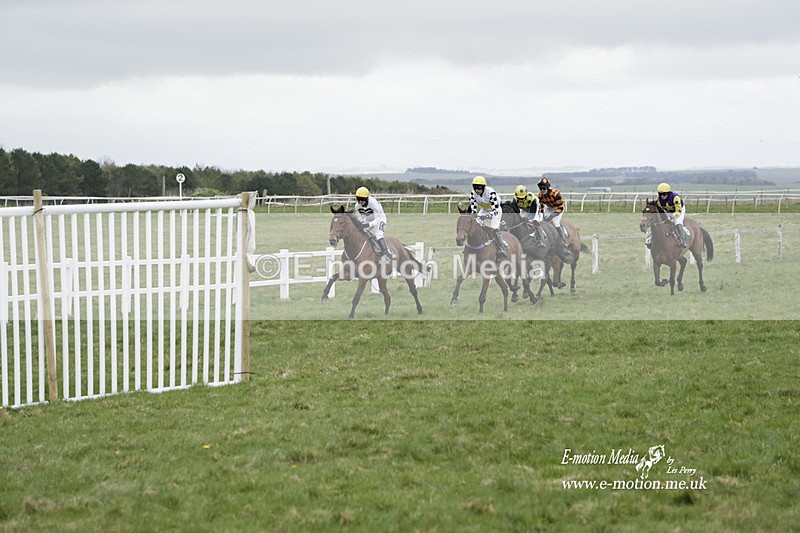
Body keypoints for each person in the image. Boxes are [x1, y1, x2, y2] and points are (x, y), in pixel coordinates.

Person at [469, 175, 507, 258]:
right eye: (475, 188)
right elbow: (473, 210)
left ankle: (501, 247)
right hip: (484, 210)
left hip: (496, 211)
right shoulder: (472, 194)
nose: (477, 190)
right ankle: (473, 245)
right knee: (474, 225)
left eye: (479, 188)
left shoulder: (491, 193)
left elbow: (495, 210)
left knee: (494, 228)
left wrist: (487, 216)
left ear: (483, 187)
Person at [354, 186, 393, 259]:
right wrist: (361, 224)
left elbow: (377, 219)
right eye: (358, 199)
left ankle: (387, 253)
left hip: (380, 219)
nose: (360, 202)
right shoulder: (357, 206)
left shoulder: (373, 203)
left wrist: (368, 224)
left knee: (378, 235)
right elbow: (359, 218)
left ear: (366, 198)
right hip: (368, 220)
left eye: (362, 199)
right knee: (360, 233)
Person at [536, 178, 568, 245]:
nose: (542, 190)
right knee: (543, 222)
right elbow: (541, 207)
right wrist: (541, 216)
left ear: (547, 187)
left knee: (555, 223)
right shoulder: (540, 195)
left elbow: (560, 208)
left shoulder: (556, 194)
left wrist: (551, 216)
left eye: (544, 188)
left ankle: (563, 239)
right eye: (540, 188)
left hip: (558, 208)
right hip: (549, 207)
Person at [656, 182, 687, 248]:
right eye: (660, 194)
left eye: (664, 194)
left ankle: (683, 240)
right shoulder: (659, 201)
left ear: (668, 193)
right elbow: (661, 211)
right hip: (668, 210)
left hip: (679, 210)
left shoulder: (675, 197)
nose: (662, 196)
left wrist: (671, 217)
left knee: (678, 222)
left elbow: (678, 211)